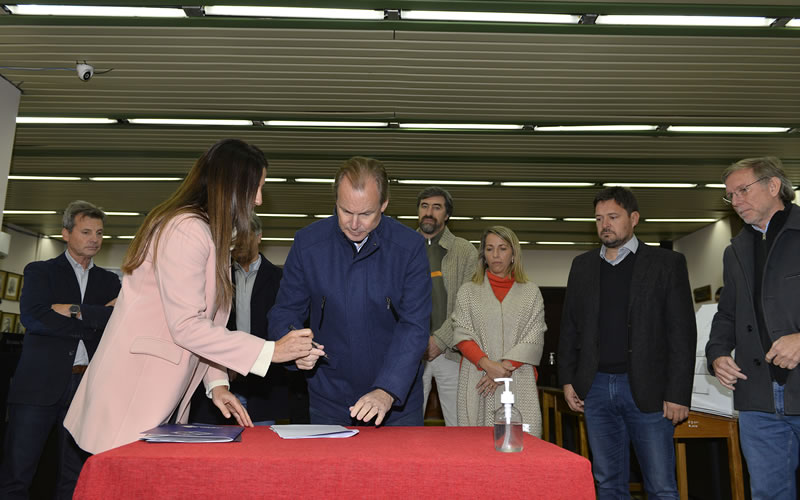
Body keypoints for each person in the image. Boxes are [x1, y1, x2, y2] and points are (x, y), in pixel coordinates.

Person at [63, 139, 320, 455]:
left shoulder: (206, 234)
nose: (258, 199)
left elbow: (205, 324)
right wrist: (270, 351)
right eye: (255, 187)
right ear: (231, 185)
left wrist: (217, 384)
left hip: (158, 388)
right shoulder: (186, 230)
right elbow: (186, 326)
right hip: (136, 387)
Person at [268, 156, 431, 426]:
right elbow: (285, 311)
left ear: (384, 204)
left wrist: (387, 389)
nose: (354, 224)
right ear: (335, 201)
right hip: (329, 399)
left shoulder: (409, 248)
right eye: (345, 211)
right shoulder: (308, 244)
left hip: (395, 404)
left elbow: (414, 326)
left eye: (366, 214)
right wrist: (295, 348)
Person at [558, 187, 696, 499]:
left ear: (634, 218)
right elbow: (569, 328)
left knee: (660, 486)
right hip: (595, 387)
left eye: (613, 217)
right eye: (598, 219)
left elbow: (682, 334)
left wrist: (678, 393)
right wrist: (567, 379)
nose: (604, 224)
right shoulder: (582, 266)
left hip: (649, 390)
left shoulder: (666, 263)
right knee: (607, 483)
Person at [0, 200, 120, 499]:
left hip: (86, 386)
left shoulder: (109, 281)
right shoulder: (40, 271)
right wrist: (93, 319)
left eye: (99, 233)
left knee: (75, 475)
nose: (94, 239)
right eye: (86, 232)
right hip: (38, 387)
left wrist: (74, 310)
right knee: (17, 473)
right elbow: (34, 317)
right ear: (66, 233)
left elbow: (116, 323)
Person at [706, 156, 800, 499]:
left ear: (773, 186)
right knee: (768, 493)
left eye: (743, 190)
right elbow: (727, 314)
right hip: (758, 399)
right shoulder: (736, 250)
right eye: (730, 195)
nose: (736, 201)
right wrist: (717, 354)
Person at [189, 212, 295, 425]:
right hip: (222, 374)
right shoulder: (217, 277)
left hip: (264, 383)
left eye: (246, 236)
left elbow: (282, 327)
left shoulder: (281, 279)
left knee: (261, 438)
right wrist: (229, 362)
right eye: (235, 237)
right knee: (220, 439)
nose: (240, 243)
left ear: (259, 236)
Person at [452, 226, 546, 436]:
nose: (495, 254)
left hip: (518, 377)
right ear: (483, 255)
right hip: (478, 380)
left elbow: (534, 336)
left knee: (522, 444)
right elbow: (462, 334)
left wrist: (501, 369)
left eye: (502, 248)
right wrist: (488, 366)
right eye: (490, 249)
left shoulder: (530, 293)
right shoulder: (468, 292)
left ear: (513, 254)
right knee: (475, 444)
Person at [416, 186, 478, 426]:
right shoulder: (403, 247)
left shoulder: (465, 251)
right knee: (405, 427)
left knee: (459, 425)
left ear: (447, 214)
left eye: (436, 207)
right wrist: (417, 341)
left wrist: (440, 340)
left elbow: (468, 306)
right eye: (424, 206)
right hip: (411, 353)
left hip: (451, 352)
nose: (429, 212)